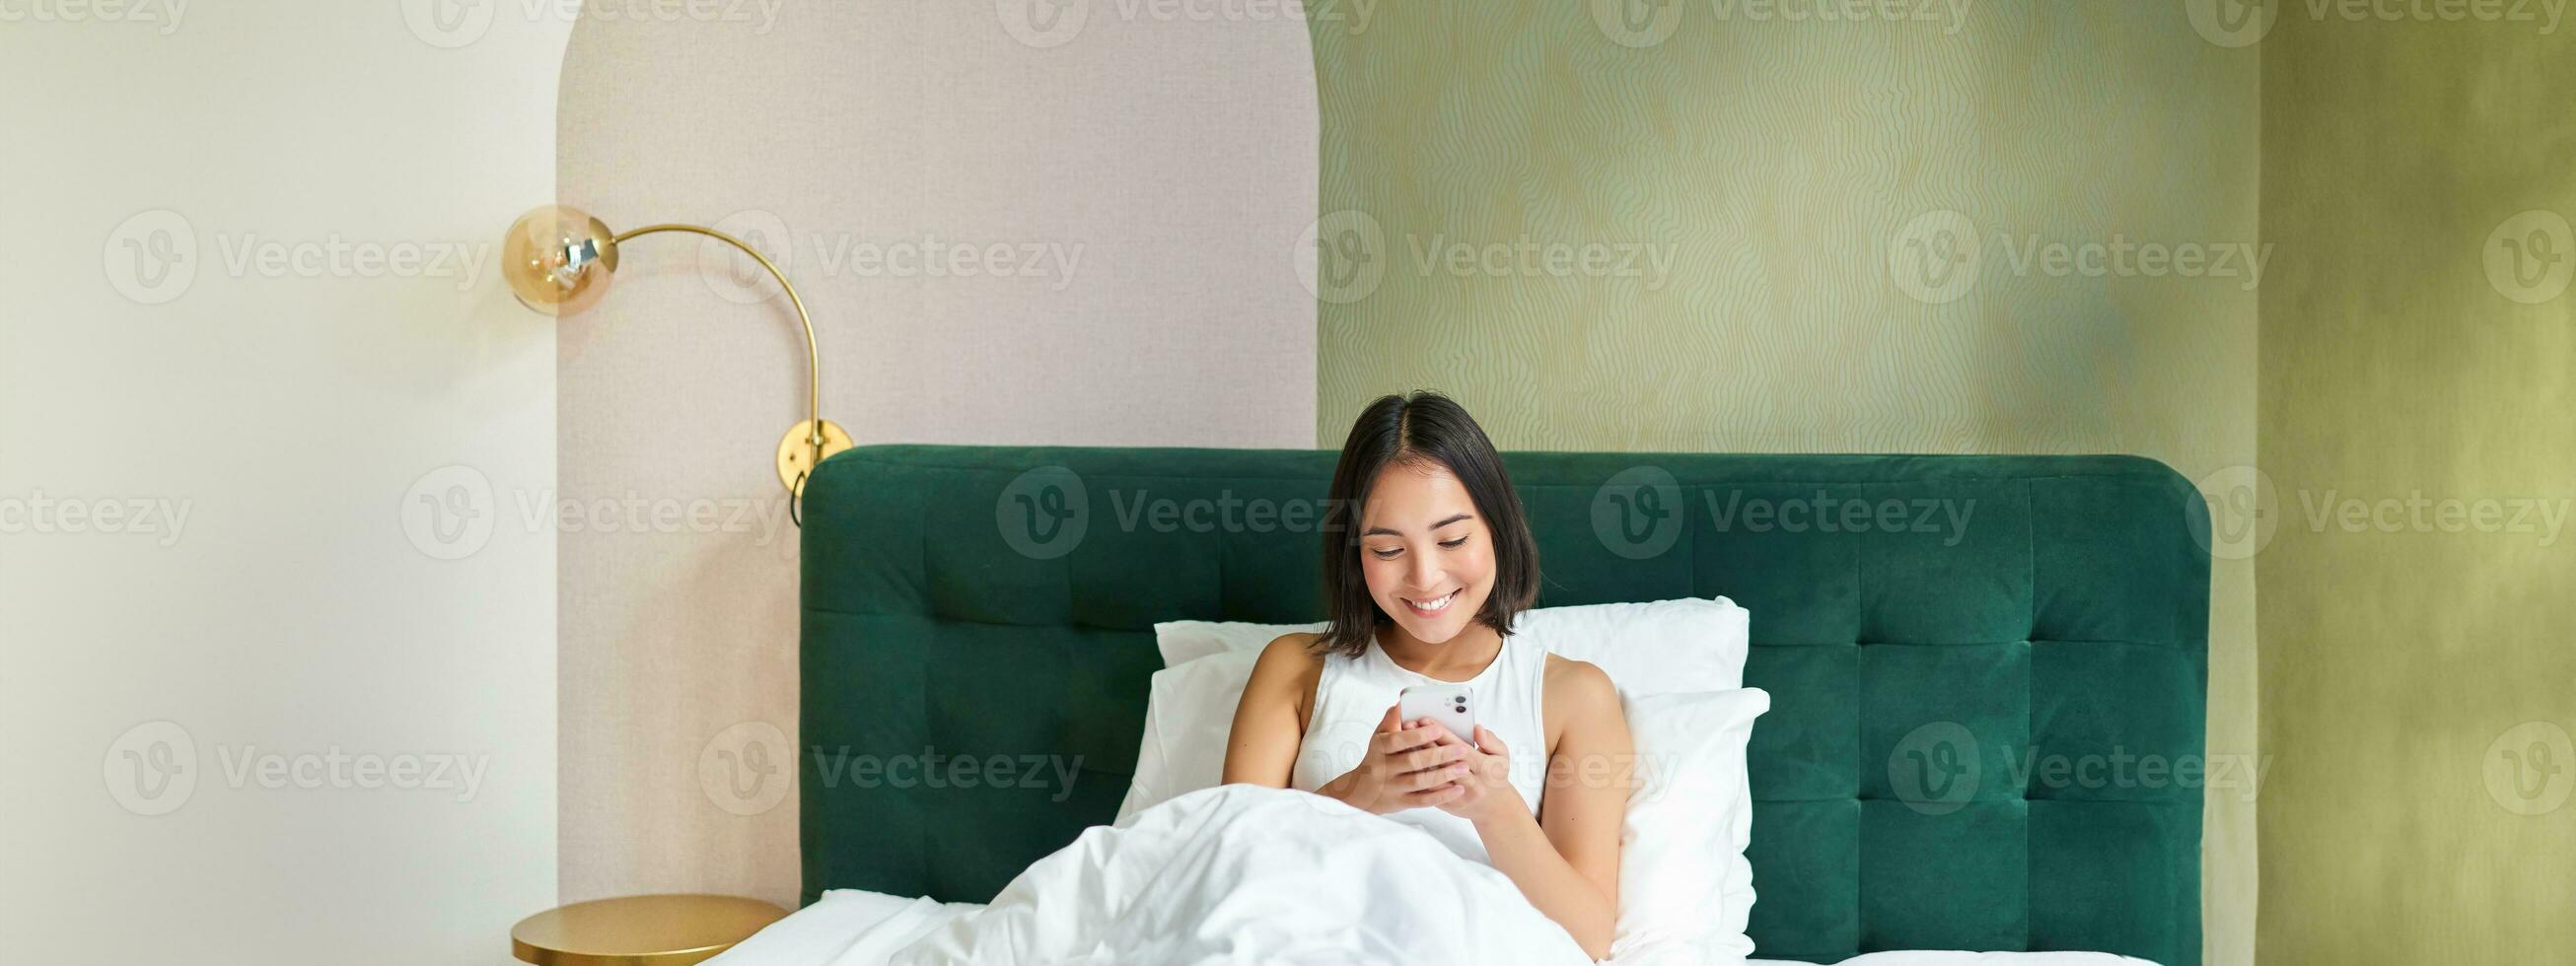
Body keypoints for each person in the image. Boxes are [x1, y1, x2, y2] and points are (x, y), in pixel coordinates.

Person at [1221, 390, 1632, 960]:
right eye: (1388, 549)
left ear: (1498, 528)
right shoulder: (1296, 666)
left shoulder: (1574, 695)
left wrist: (1493, 806)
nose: (1425, 576)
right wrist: (1360, 793)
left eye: (1452, 539)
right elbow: (1225, 869)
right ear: (1354, 551)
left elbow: (1588, 938)